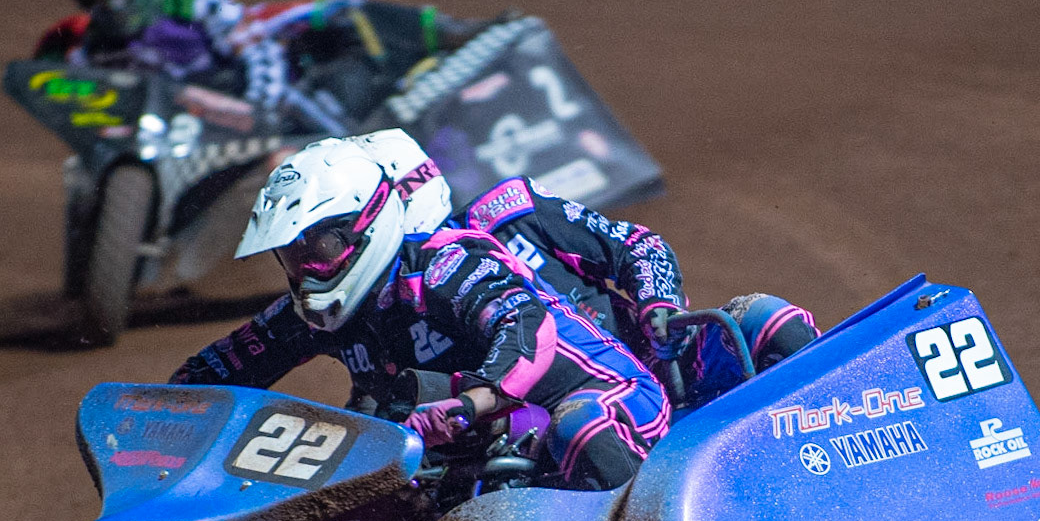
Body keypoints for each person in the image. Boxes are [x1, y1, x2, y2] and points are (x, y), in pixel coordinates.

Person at [169, 131, 669, 490]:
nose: (308, 271)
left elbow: (528, 324)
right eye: (294, 258)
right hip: (464, 447)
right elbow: (220, 366)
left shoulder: (450, 260)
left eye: (317, 250)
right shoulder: (315, 312)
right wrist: (165, 408)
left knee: (584, 429)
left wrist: (659, 309)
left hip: (598, 395)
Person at [34, 0, 488, 121]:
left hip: (256, 99)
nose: (117, 2)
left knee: (341, 12)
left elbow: (254, 46)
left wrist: (260, 110)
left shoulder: (192, 1)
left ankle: (447, 33)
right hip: (175, 129)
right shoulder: (85, 46)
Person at [456, 174, 819, 407]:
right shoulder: (403, 299)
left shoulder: (505, 211)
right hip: (576, 415)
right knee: (587, 429)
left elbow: (635, 246)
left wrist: (658, 303)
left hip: (661, 363)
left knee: (772, 322)